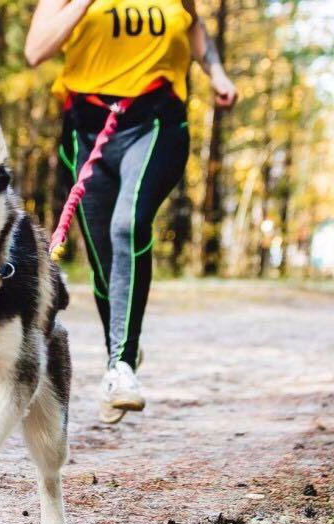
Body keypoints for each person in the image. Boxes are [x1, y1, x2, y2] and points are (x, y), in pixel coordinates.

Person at [25, 0, 237, 423]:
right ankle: (120, 348)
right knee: (103, 255)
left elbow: (193, 26)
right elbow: (36, 51)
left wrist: (215, 72)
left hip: (155, 120)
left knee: (128, 225)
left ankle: (121, 366)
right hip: (86, 126)